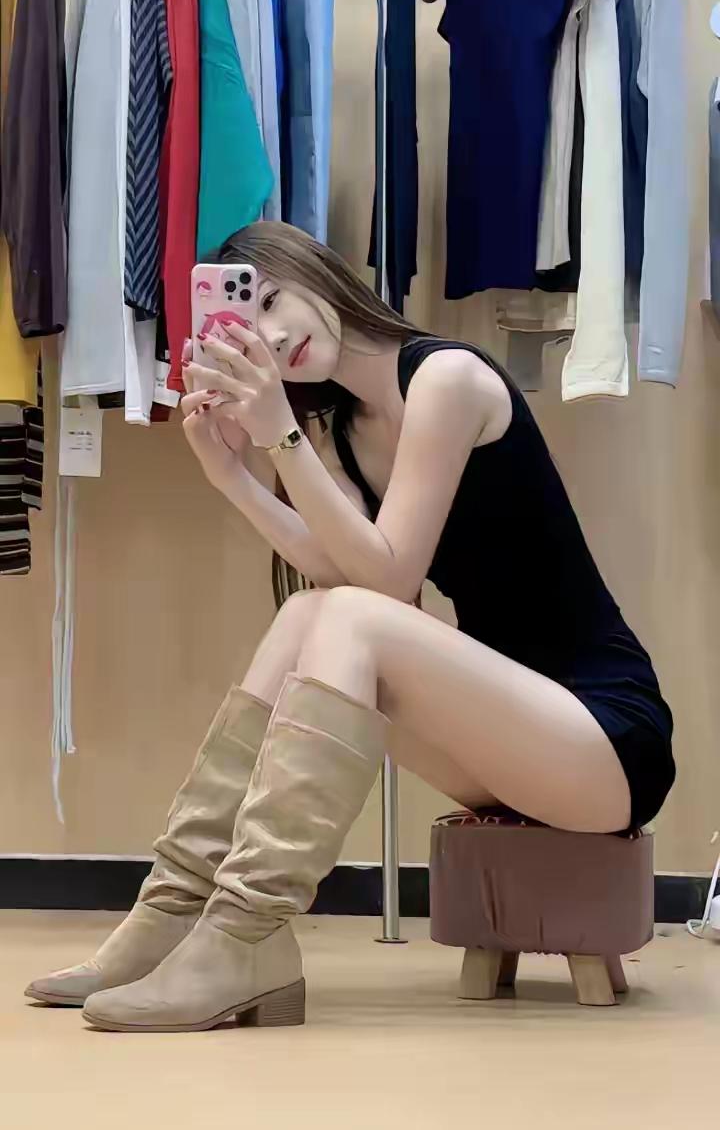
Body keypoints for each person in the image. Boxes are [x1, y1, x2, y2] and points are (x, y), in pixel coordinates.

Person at [26, 221, 675, 1033]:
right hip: (507, 741)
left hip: (602, 737)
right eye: (248, 320)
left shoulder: (446, 379)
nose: (273, 334)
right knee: (310, 611)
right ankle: (173, 912)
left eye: (273, 299)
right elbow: (341, 576)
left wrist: (279, 435)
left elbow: (388, 584)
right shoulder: (337, 429)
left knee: (347, 617)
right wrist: (231, 476)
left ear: (314, 270)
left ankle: (243, 933)